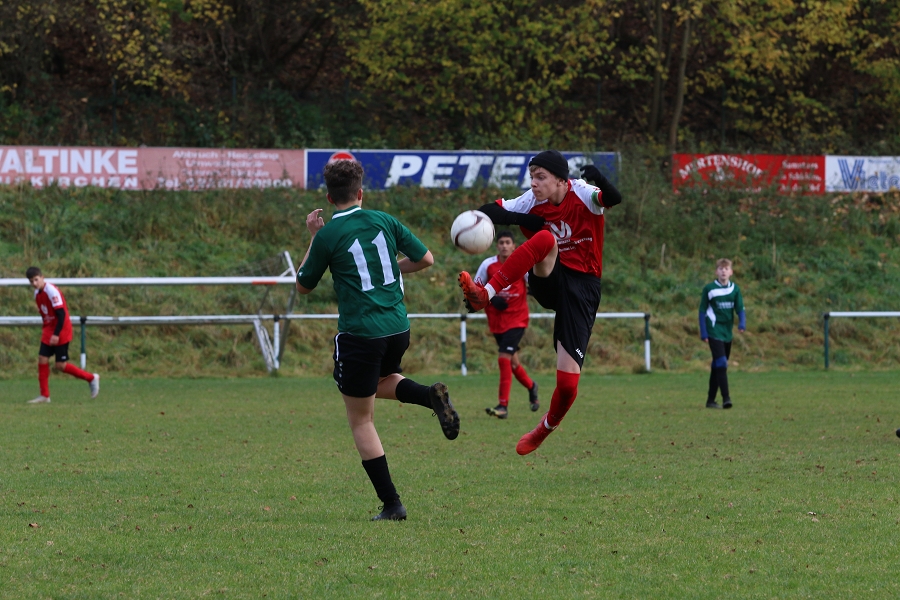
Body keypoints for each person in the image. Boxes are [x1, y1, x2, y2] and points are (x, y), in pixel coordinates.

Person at [295, 159, 460, 522]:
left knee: (360, 419)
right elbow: (426, 259)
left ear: (328, 196)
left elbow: (303, 286)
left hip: (361, 334)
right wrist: (386, 271)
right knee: (380, 382)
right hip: (398, 327)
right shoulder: (384, 220)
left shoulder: (327, 235)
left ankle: (392, 504)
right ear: (360, 193)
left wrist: (312, 238)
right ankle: (427, 395)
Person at [457, 150, 622, 455]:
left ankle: (544, 428)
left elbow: (613, 198)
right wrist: (521, 219)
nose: (533, 183)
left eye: (540, 177)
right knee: (546, 239)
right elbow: (489, 211)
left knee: (568, 384)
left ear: (562, 180)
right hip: (550, 279)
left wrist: (599, 178)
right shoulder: (532, 199)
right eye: (531, 177)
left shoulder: (583, 193)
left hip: (583, 288)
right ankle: (485, 294)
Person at [474, 230, 539, 419]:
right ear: (497, 246)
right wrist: (492, 299)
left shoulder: (522, 264)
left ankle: (503, 406)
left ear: (513, 245)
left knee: (504, 358)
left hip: (517, 319)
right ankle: (531, 386)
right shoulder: (488, 265)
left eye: (507, 242)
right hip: (497, 321)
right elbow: (476, 288)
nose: (504, 245)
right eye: (501, 242)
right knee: (513, 362)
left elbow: (534, 284)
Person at [26, 267, 99, 404]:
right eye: (32, 281)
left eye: (36, 279)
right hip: (49, 330)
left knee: (60, 365)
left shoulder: (51, 291)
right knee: (42, 358)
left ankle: (91, 378)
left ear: (42, 277)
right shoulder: (37, 294)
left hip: (61, 330)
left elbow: (61, 314)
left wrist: (56, 334)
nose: (35, 283)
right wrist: (48, 330)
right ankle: (45, 395)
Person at [699, 258, 745, 409]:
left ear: (731, 272)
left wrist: (742, 323)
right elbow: (702, 311)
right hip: (713, 330)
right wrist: (704, 332)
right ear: (716, 271)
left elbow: (740, 309)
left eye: (726, 269)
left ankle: (710, 400)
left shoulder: (735, 289)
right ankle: (726, 398)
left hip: (727, 332)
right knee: (721, 363)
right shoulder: (709, 289)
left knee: (717, 366)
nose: (723, 271)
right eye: (720, 268)